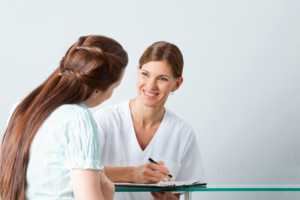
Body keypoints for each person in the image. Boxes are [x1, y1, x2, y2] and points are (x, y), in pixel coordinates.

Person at [0, 35, 128, 200]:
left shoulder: (20, 109)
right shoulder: (78, 118)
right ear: (96, 90)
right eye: (115, 88)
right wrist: (107, 195)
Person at [93, 41, 206, 200]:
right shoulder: (105, 119)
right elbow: (81, 173)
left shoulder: (183, 133)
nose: (151, 85)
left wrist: (166, 197)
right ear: (137, 72)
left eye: (163, 79)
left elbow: (179, 195)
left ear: (177, 84)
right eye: (145, 74)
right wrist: (132, 174)